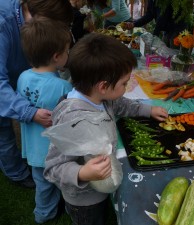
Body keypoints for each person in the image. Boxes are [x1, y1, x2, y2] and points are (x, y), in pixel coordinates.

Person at [43, 33, 168, 225]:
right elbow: (53, 168)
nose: (126, 87)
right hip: (84, 199)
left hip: (103, 183)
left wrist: (148, 110)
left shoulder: (103, 98)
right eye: (124, 83)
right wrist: (83, 173)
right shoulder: (72, 118)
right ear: (103, 86)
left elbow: (122, 105)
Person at [0, 0, 73, 188]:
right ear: (43, 20)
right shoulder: (3, 23)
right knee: (3, 131)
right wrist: (28, 112)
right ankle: (17, 173)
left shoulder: (28, 21)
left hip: (13, 77)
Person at [17, 17, 73, 224]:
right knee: (63, 181)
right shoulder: (63, 88)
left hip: (32, 148)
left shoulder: (23, 77)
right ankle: (69, 209)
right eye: (67, 51)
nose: (69, 54)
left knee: (42, 183)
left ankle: (43, 214)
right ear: (57, 57)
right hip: (54, 152)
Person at [124, 0, 188, 47]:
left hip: (177, 29)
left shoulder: (165, 2)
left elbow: (163, 17)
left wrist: (154, 37)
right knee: (165, 51)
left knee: (175, 54)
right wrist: (134, 24)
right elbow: (149, 14)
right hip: (167, 29)